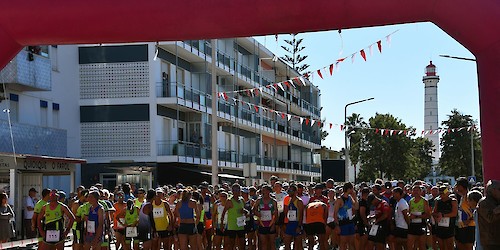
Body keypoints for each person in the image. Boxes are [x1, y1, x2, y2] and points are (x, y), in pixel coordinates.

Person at [221, 183, 247, 250]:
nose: (238, 191)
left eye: (239, 190)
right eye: (235, 190)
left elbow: (246, 211)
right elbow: (223, 213)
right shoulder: (229, 200)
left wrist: (245, 211)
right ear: (232, 191)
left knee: (242, 243)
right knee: (232, 244)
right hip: (232, 226)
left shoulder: (242, 200)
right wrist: (222, 224)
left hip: (241, 225)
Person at [333, 182, 358, 250]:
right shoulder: (339, 199)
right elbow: (335, 214)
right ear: (349, 189)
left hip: (350, 222)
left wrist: (355, 197)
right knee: (343, 243)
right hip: (343, 223)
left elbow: (356, 207)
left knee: (351, 242)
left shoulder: (349, 198)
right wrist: (337, 225)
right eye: (352, 189)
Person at [432, 185, 458, 250]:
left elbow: (454, 213)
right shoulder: (438, 201)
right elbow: (433, 212)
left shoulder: (453, 201)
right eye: (440, 193)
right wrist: (436, 216)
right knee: (441, 246)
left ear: (447, 193)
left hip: (449, 228)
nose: (441, 195)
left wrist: (443, 215)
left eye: (442, 193)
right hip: (440, 227)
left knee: (449, 246)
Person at [253, 184, 278, 250]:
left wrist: (274, 225)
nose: (263, 192)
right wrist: (257, 213)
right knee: (264, 243)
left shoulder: (273, 201)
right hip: (262, 224)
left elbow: (276, 214)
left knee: (272, 243)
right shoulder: (258, 201)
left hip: (271, 224)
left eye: (265, 190)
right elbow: (254, 209)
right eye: (262, 191)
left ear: (269, 191)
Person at [477, 180, 500, 250]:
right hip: (491, 242)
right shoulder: (484, 202)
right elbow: (490, 219)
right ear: (493, 190)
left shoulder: (497, 201)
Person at [407, 185, 431, 250]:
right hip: (412, 225)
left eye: (417, 190)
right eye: (414, 190)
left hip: (421, 225)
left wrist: (417, 216)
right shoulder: (411, 201)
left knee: (421, 245)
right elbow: (408, 213)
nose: (415, 192)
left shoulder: (424, 201)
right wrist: (409, 216)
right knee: (409, 245)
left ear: (421, 192)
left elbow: (428, 215)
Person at [455, 177, 475, 250]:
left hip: (469, 226)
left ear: (461, 186)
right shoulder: (462, 196)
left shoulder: (469, 196)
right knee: (461, 245)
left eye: (457, 185)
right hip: (461, 225)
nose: (456, 187)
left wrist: (470, 220)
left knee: (468, 246)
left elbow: (475, 208)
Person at [282, 184, 304, 250]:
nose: (289, 192)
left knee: (298, 245)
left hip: (296, 223)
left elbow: (301, 214)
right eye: (288, 190)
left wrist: (299, 226)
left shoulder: (299, 201)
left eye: (290, 190)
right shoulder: (289, 200)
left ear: (295, 192)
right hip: (290, 223)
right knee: (286, 243)